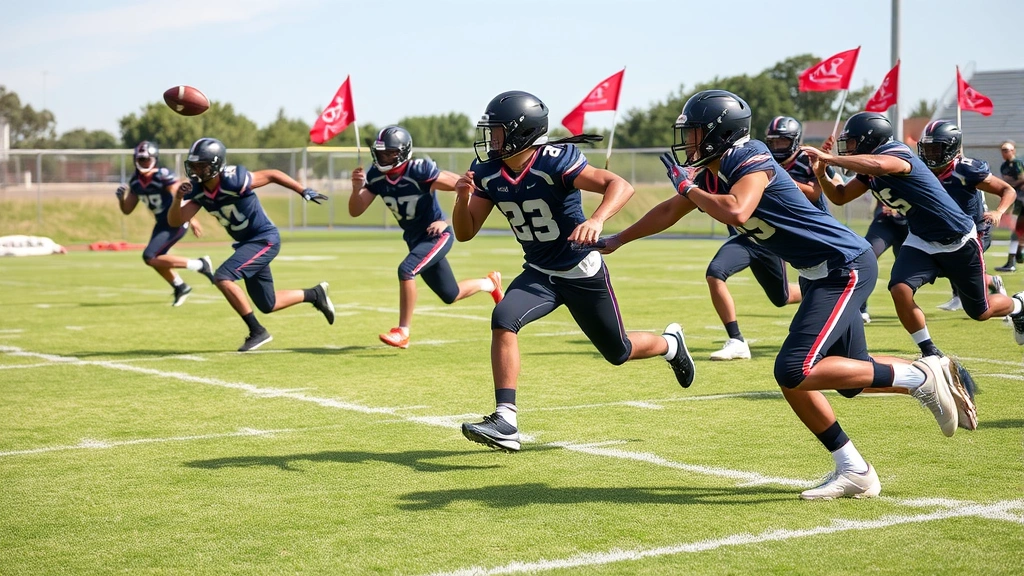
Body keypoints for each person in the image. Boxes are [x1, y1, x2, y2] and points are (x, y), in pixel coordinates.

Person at [602, 90, 970, 499]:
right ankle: (855, 470)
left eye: (695, 133)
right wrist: (618, 238)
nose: (688, 142)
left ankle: (921, 375)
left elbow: (737, 211)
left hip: (843, 266)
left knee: (794, 371)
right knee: (848, 377)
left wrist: (689, 190)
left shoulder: (750, 155)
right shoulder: (709, 172)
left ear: (719, 133)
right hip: (819, 273)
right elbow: (671, 210)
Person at [452, 90, 695, 453]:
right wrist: (461, 198)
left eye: (500, 132)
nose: (492, 139)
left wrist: (597, 219)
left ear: (522, 133)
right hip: (539, 272)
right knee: (503, 317)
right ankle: (506, 420)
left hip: (580, 269)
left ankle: (670, 344)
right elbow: (465, 232)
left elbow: (620, 185)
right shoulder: (489, 172)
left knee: (619, 351)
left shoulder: (554, 161)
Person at [802, 113, 1024, 358]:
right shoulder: (868, 169)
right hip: (920, 238)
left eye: (853, 143)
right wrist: (821, 173)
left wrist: (832, 158)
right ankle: (929, 351)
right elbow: (840, 196)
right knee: (899, 288)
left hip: (957, 239)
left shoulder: (898, 152)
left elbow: (881, 165)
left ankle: (1019, 306)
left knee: (980, 312)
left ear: (870, 140)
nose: (848, 149)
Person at [167, 138, 336, 352]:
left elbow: (273, 174)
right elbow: (175, 221)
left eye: (202, 165)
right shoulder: (198, 191)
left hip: (264, 239)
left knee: (222, 277)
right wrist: (176, 199)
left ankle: (257, 331)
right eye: (193, 165)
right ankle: (315, 295)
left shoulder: (233, 180)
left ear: (216, 164)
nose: (196, 170)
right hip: (247, 244)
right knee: (268, 304)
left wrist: (302, 190)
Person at [349, 126, 504, 349]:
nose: (383, 157)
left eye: (389, 153)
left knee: (407, 270)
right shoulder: (376, 176)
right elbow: (356, 210)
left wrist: (448, 221)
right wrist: (356, 189)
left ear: (402, 152)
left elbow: (464, 187)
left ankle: (403, 331)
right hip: (415, 239)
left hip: (437, 236)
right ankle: (489, 283)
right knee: (450, 294)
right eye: (381, 152)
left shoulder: (419, 170)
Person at [698, 116, 824, 361]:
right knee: (715, 272)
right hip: (745, 238)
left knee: (782, 297)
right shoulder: (727, 164)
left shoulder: (771, 162)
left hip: (769, 241)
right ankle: (736, 340)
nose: (777, 147)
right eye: (773, 142)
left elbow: (820, 193)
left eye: (783, 142)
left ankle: (818, 291)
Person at [918, 121, 1015, 312]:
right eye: (927, 148)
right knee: (950, 266)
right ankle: (963, 294)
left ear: (950, 147)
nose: (930, 154)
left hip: (975, 229)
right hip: (950, 229)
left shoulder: (965, 170)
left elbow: (1007, 190)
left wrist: (999, 211)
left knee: (962, 272)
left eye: (936, 148)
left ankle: (1006, 297)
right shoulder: (925, 169)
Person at [116, 141, 214, 306]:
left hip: (175, 220)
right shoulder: (135, 181)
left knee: (150, 256)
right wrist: (121, 199)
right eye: (140, 159)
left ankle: (200, 264)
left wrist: (191, 218)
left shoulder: (162, 175)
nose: (144, 163)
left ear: (154, 159)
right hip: (161, 223)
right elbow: (127, 210)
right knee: (156, 258)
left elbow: (178, 195)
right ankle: (180, 286)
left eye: (146, 159)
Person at [858, 200, 908, 324]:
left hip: (913, 223)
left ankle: (959, 295)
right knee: (863, 258)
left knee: (907, 273)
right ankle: (859, 310)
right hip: (885, 222)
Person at [996, 140, 1024, 272]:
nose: (1004, 152)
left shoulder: (1018, 163)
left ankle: (1016, 256)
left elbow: (1019, 180)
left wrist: (1012, 183)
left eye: (1007, 149)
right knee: (1017, 231)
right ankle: (1014, 258)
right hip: (1019, 202)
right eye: (1003, 150)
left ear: (1013, 151)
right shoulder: (1004, 166)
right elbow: (1008, 183)